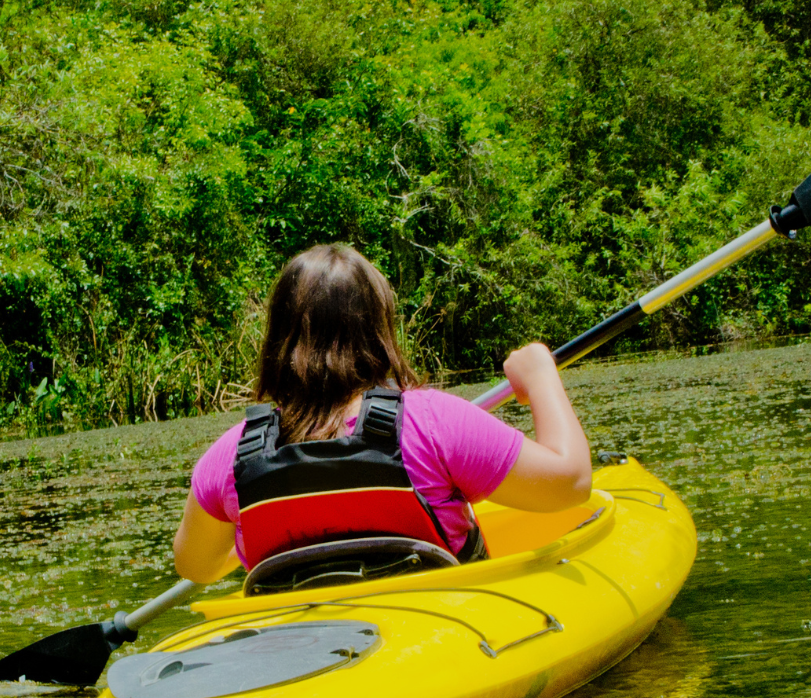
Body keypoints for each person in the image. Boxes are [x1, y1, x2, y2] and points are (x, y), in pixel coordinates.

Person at [174, 243, 592, 584]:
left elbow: (196, 568)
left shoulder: (231, 457)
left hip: (303, 652)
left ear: (278, 338)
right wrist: (539, 375)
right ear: (378, 330)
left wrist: (259, 528)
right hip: (440, 637)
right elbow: (571, 482)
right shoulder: (433, 423)